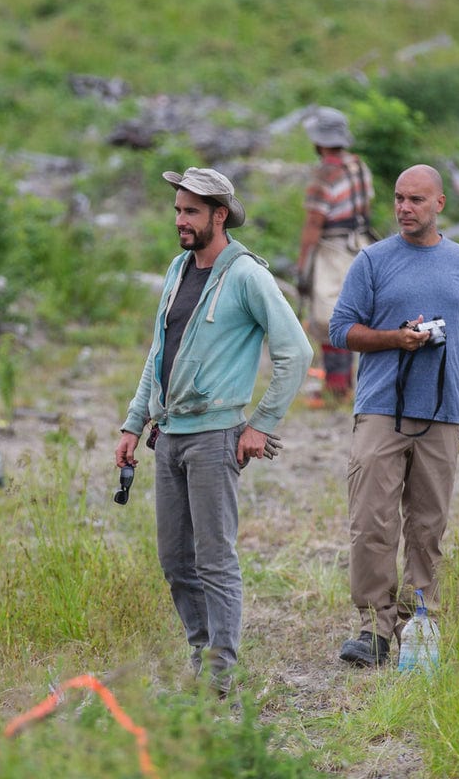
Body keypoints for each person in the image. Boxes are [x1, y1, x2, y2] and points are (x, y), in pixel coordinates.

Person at [115, 167, 312, 694]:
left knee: (215, 558)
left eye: (191, 212)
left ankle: (221, 674)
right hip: (169, 435)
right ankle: (201, 657)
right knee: (175, 559)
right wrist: (133, 424)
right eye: (178, 209)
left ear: (219, 215)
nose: (180, 220)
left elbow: (297, 352)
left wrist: (260, 426)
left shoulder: (247, 274)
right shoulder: (178, 269)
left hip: (215, 436)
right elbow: (157, 354)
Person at [328, 164, 459, 667]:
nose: (404, 208)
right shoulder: (373, 261)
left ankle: (419, 620)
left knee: (428, 526)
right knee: (371, 522)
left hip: (442, 414)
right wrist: (395, 339)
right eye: (399, 199)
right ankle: (374, 628)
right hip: (382, 408)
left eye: (416, 200)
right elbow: (341, 330)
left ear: (440, 203)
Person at [295, 106, 375, 407]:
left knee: (327, 317)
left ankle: (337, 388)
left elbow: (314, 224)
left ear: (319, 140)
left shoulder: (324, 174)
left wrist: (303, 266)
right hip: (360, 246)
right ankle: (347, 385)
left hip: (333, 250)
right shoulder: (358, 166)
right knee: (356, 316)